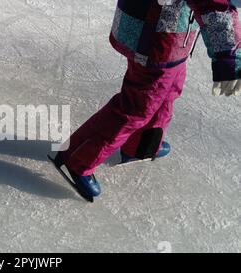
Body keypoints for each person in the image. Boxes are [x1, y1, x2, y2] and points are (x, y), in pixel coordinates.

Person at [50, 0, 241, 202]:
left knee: (169, 90)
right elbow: (215, 6)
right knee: (137, 107)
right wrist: (229, 57)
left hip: (163, 31)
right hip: (156, 36)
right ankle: (76, 158)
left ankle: (141, 145)